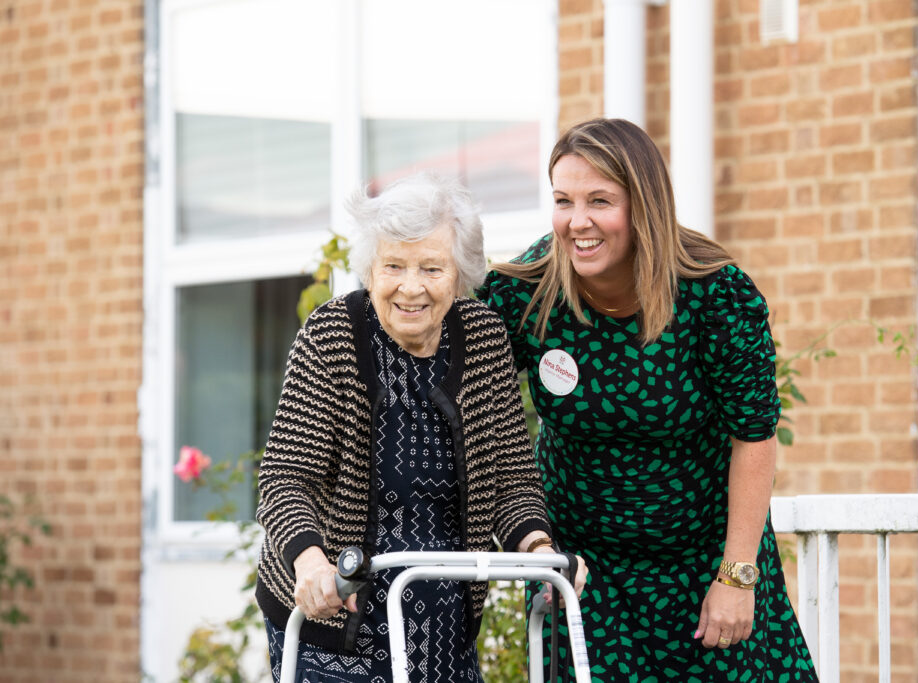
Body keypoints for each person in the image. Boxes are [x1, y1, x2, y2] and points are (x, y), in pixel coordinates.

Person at [479, 118, 817, 681]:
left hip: (705, 564)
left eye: (599, 201)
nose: (577, 222)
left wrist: (736, 577)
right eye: (563, 200)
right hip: (586, 574)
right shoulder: (525, 291)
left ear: (643, 206)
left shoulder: (714, 293)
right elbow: (469, 404)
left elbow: (753, 437)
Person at [254, 172, 587, 683]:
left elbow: (512, 483)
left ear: (460, 273)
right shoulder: (331, 336)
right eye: (394, 266)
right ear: (370, 268)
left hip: (446, 632)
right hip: (336, 630)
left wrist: (541, 553)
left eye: (432, 267)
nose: (412, 287)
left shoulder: (483, 339)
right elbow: (284, 479)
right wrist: (310, 562)